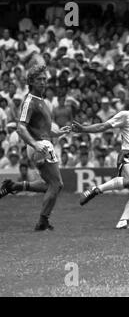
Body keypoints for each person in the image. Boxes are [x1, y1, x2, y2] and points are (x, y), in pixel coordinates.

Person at [71, 87, 129, 229]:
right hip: (127, 154)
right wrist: (84, 129)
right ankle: (96, 189)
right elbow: (103, 126)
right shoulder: (126, 115)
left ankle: (122, 222)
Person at [0, 64, 71, 231]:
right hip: (40, 146)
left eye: (45, 79)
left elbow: (44, 130)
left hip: (42, 143)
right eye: (39, 79)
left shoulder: (41, 100)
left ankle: (14, 186)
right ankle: (42, 221)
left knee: (50, 185)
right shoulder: (30, 101)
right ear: (30, 82)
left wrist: (59, 133)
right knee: (57, 185)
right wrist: (35, 144)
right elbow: (21, 128)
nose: (43, 82)